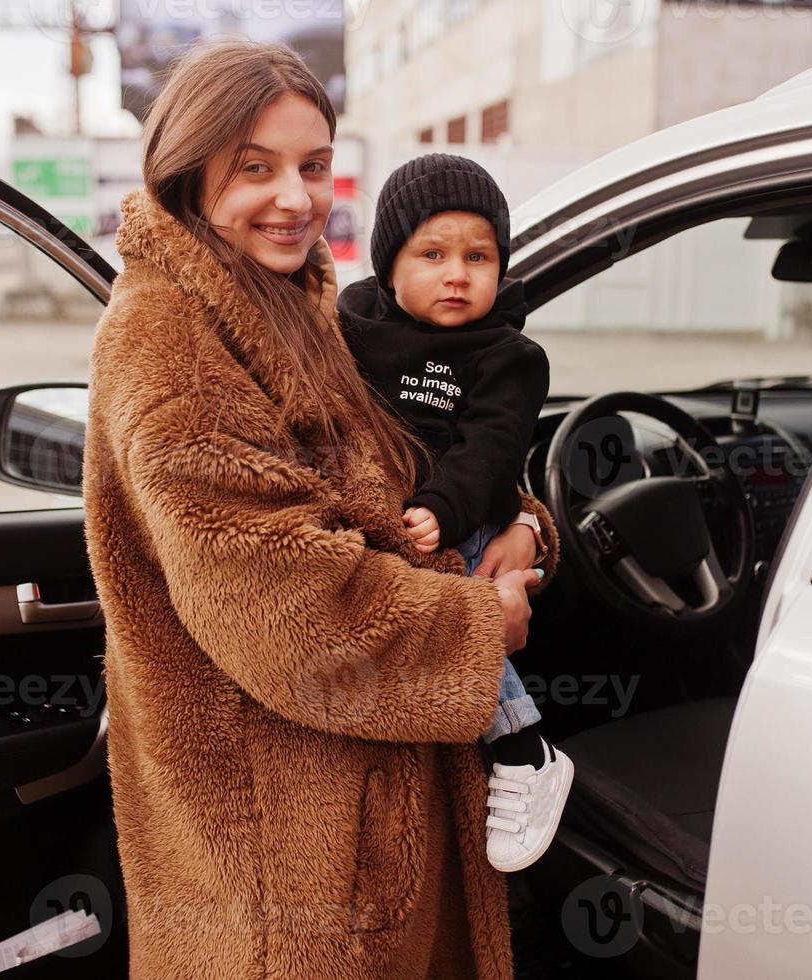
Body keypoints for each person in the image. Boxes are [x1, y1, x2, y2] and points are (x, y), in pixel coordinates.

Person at [82, 39, 559, 980]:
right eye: (253, 168)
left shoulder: (293, 307)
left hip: (353, 799)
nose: (295, 198)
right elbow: (289, 611)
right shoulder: (171, 339)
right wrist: (479, 618)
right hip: (284, 844)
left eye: (312, 165)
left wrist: (523, 527)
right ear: (187, 172)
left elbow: (410, 463)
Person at [337, 154, 574, 873]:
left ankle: (521, 746)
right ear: (389, 267)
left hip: (460, 520)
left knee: (466, 602)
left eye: (479, 256)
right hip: (386, 535)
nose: (456, 274)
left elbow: (491, 449)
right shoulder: (347, 330)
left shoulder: (506, 354)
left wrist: (447, 507)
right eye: (431, 254)